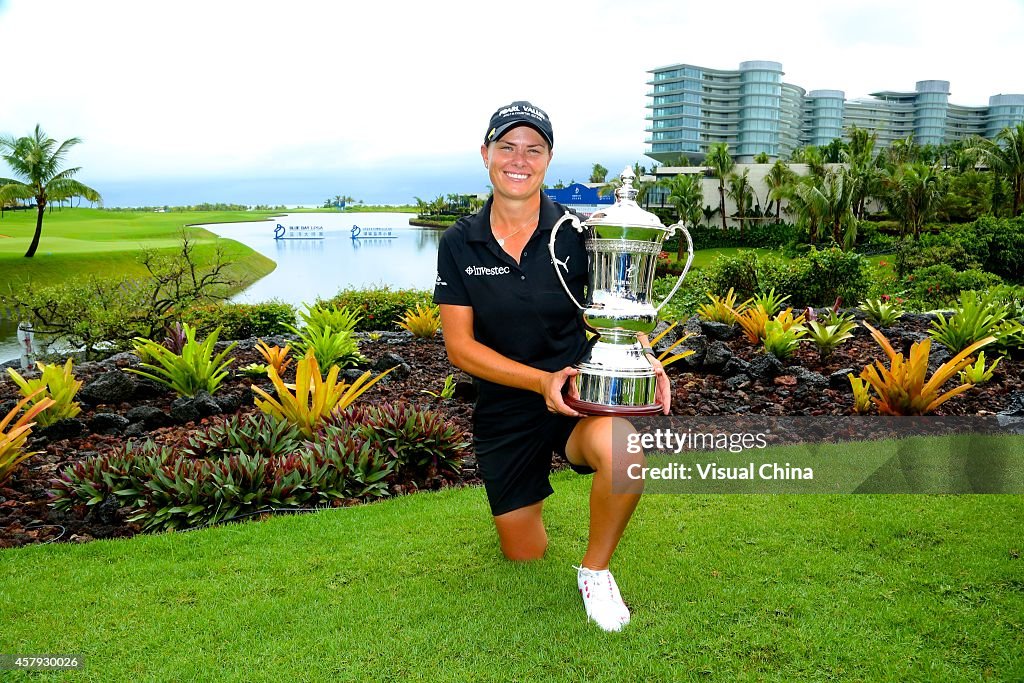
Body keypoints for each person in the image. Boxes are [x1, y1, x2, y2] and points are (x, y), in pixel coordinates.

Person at [432, 101, 670, 632]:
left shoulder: (579, 233)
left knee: (625, 449)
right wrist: (538, 381)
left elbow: (618, 310)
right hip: (506, 408)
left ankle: (596, 572)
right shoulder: (459, 240)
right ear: (486, 154)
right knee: (524, 554)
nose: (519, 159)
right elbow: (460, 348)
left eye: (532, 149)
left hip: (575, 400)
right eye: (507, 147)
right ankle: (532, 518)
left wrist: (643, 356)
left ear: (548, 159)